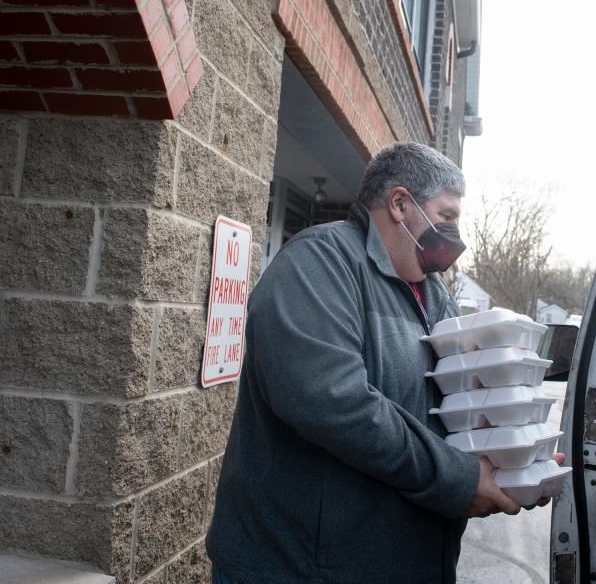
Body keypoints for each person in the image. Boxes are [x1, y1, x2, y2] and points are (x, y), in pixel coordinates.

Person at [206, 143, 521, 584]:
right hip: (298, 569)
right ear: (400, 204)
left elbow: (457, 396)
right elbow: (334, 402)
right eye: (446, 216)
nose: (454, 234)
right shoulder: (318, 263)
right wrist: (458, 480)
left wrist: (513, 455)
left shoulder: (434, 294)